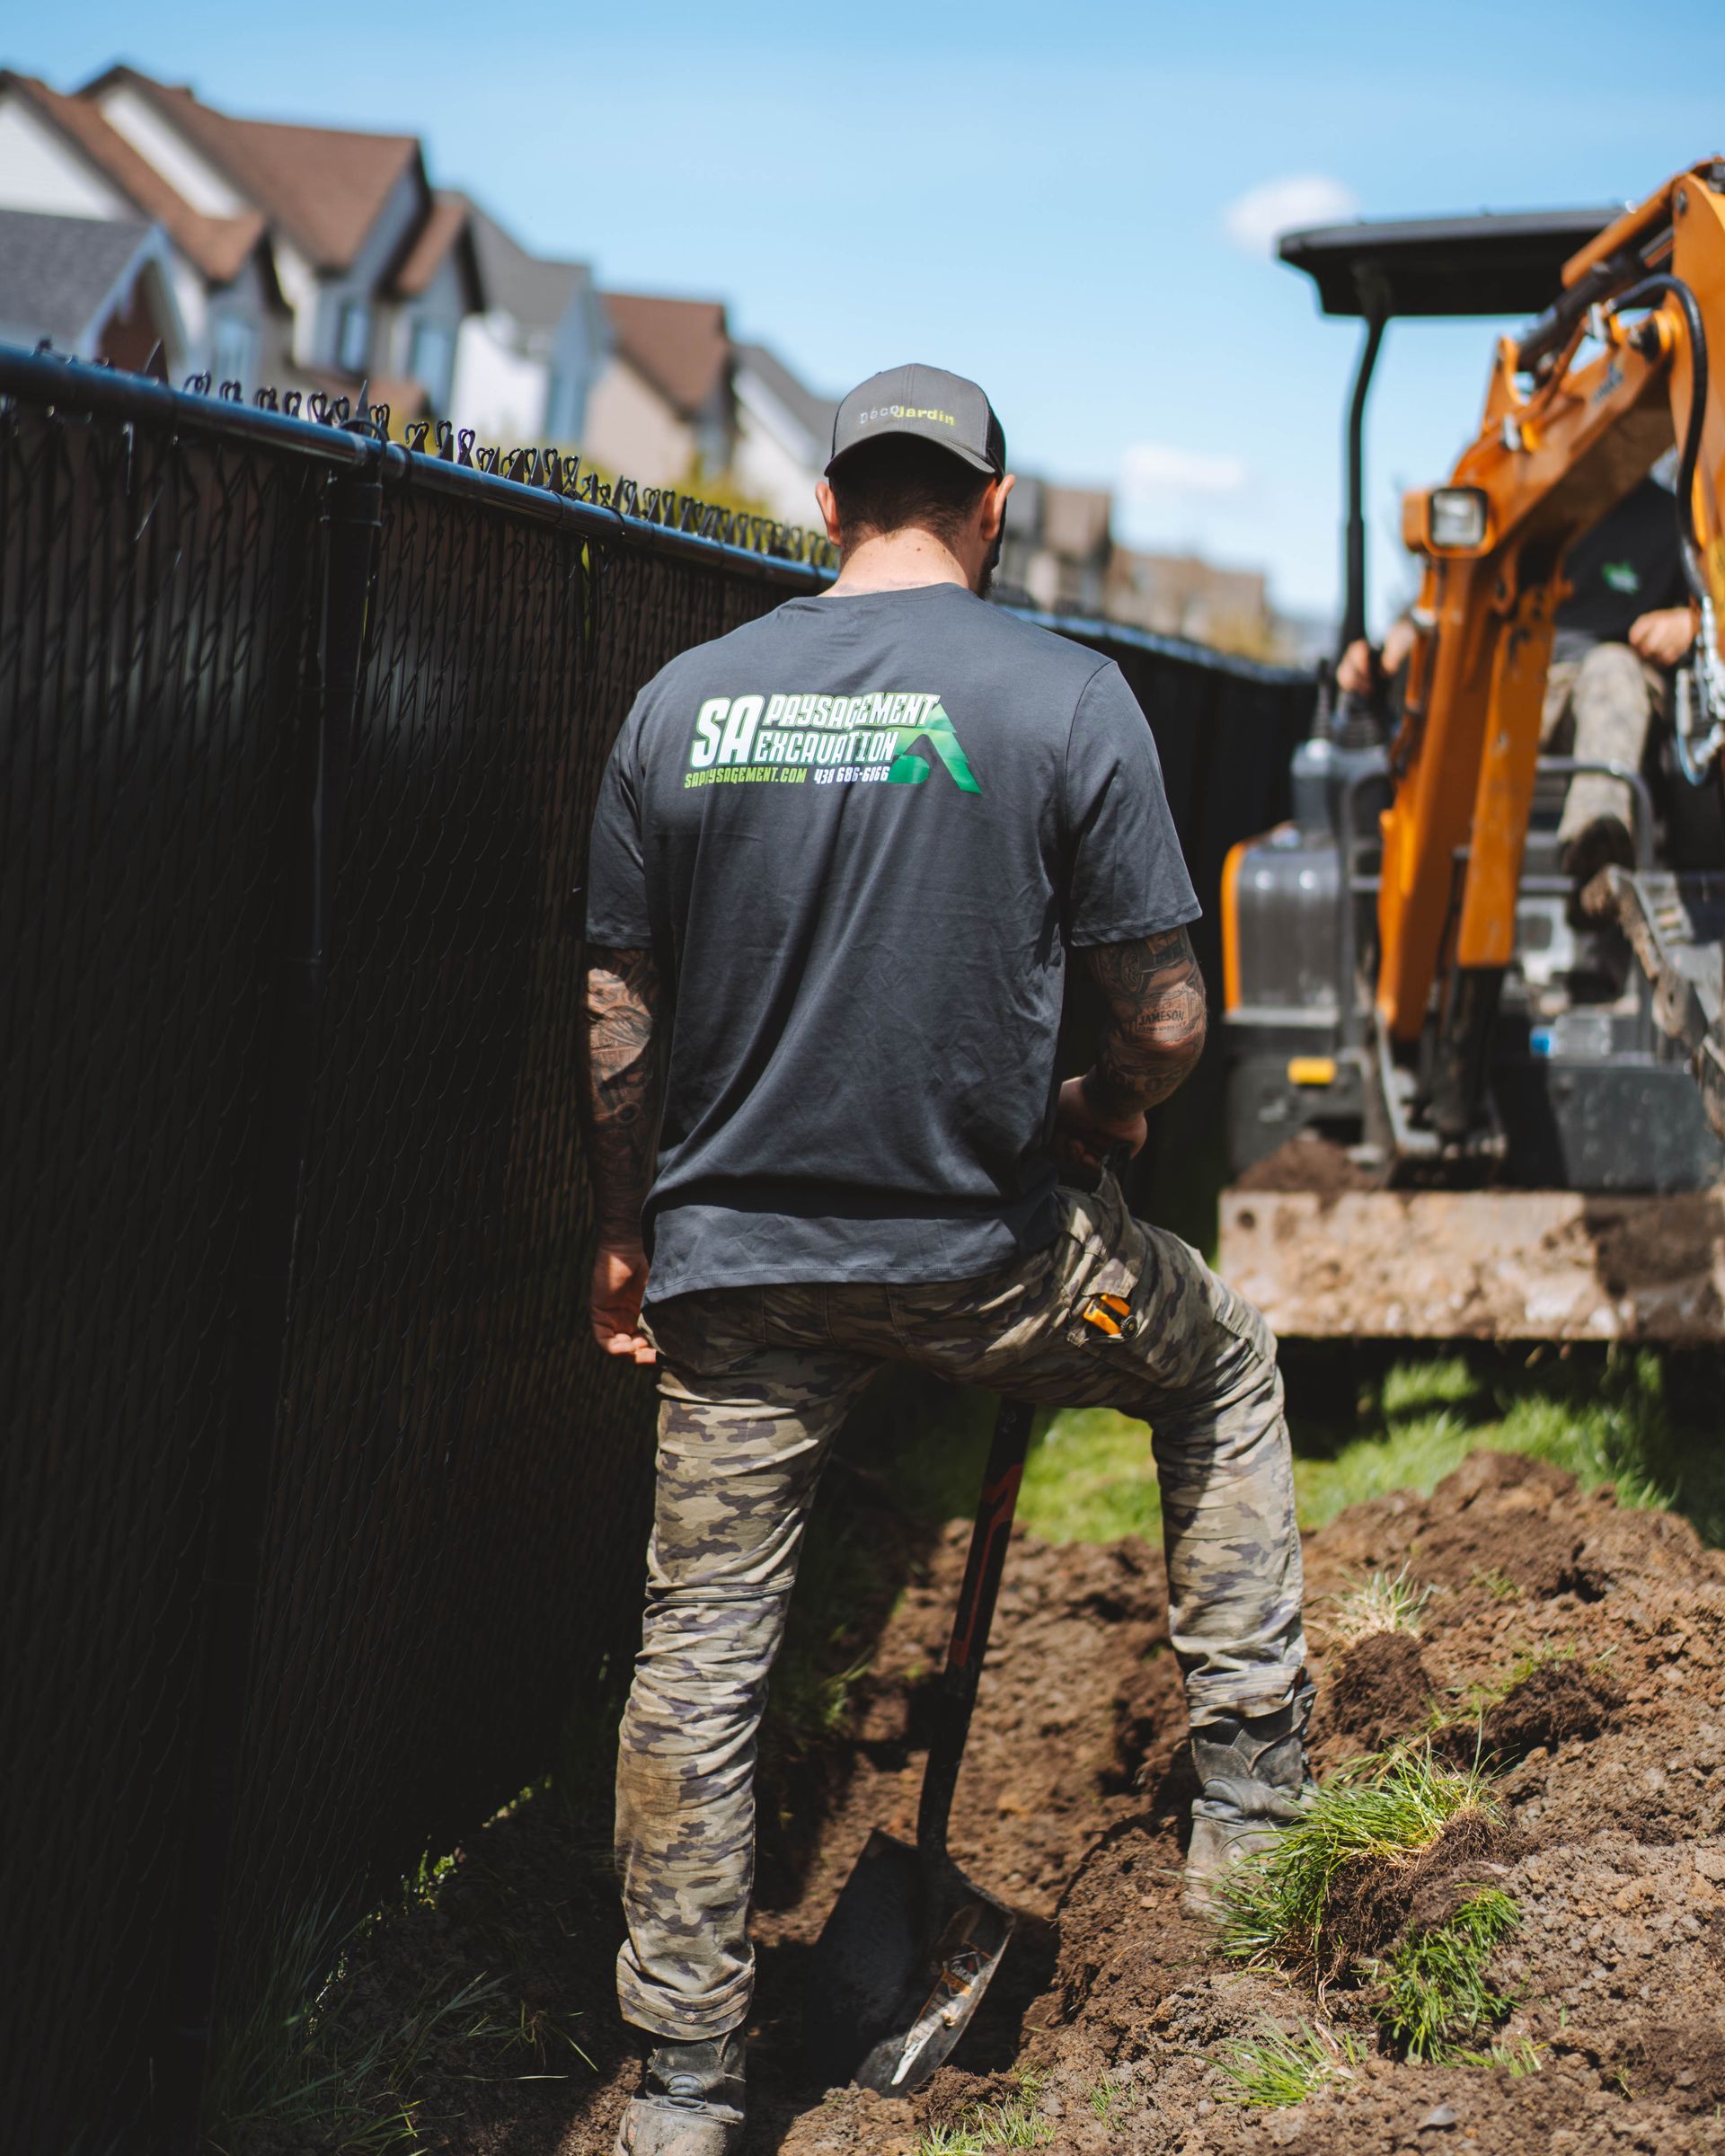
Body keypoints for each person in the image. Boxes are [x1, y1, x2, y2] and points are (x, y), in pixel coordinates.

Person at [581, 365, 1309, 2156]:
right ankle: (1256, 1816)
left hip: (737, 1276)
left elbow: (614, 1013)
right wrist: (1101, 1103)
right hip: (994, 1265)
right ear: (989, 510)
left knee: (700, 1656)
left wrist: (623, 1231)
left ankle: (681, 2094)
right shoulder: (1064, 696)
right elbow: (1163, 1017)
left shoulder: (680, 706)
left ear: (830, 508)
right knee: (1214, 1355)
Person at [1338, 470, 1696, 888]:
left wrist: (1688, 622)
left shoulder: (1672, 519)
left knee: (1611, 667)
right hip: (1522, 673)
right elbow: (1449, 597)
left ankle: (1597, 855)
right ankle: (1435, 864)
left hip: (1616, 688)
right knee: (1473, 687)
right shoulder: (1521, 500)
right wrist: (1400, 639)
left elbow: (1711, 609)